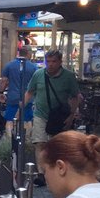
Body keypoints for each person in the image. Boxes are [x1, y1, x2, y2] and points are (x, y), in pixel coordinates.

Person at [24, 50, 80, 186]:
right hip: (40, 114)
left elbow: (75, 96)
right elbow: (30, 91)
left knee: (56, 145)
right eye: (48, 61)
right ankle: (41, 174)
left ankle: (56, 172)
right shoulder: (38, 74)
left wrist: (71, 115)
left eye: (54, 61)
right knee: (39, 142)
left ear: (60, 62)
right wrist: (21, 108)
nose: (50, 64)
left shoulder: (68, 76)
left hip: (59, 116)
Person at [0, 46, 39, 137]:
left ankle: (10, 141)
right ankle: (27, 141)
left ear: (19, 53)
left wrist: (1, 92)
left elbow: (4, 81)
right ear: (29, 54)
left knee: (10, 119)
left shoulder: (9, 65)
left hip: (13, 97)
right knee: (27, 120)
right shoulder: (34, 67)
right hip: (28, 98)